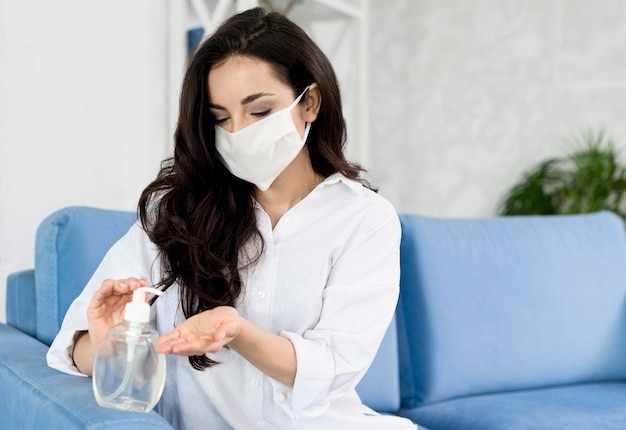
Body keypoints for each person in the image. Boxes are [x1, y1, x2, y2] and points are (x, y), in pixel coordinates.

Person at [47, 7, 416, 430]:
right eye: (220, 118)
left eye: (259, 112)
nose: (238, 132)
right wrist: (110, 343)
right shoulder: (175, 211)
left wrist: (238, 332)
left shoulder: (364, 218)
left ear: (309, 102)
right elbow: (73, 352)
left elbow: (335, 366)